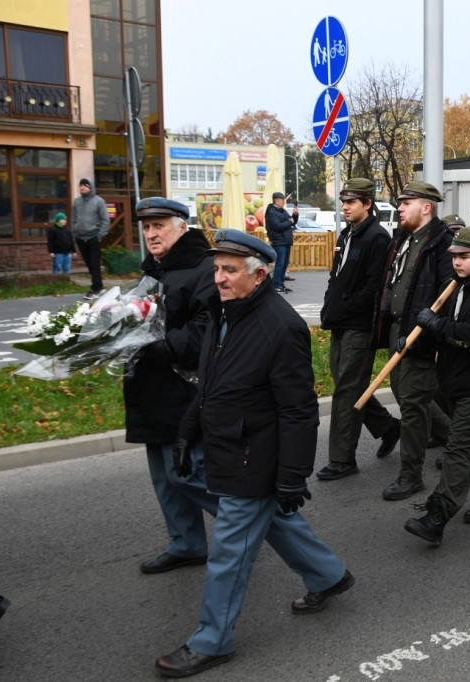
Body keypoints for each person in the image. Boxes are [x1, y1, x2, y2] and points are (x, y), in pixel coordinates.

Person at [156, 229, 353, 678]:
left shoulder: (280, 327)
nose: (219, 278)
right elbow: (208, 385)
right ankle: (328, 576)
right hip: (229, 445)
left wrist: (292, 475)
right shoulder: (223, 312)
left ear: (260, 275)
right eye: (217, 269)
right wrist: (187, 431)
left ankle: (212, 640)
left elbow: (299, 409)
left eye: (229, 270)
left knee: (230, 549)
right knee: (275, 521)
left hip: (254, 457)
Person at [124, 198, 216, 575]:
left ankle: (249, 521)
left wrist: (157, 345)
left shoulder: (203, 268)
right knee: (164, 478)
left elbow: (206, 330)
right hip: (150, 391)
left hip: (183, 391)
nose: (151, 234)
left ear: (181, 226)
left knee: (188, 473)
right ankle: (186, 543)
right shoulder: (153, 271)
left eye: (159, 225)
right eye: (146, 228)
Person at [405, 227, 470, 544]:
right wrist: (413, 341)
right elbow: (440, 333)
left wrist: (438, 325)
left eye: (464, 257)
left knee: (459, 449)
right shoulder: (454, 287)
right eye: (454, 257)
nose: (457, 263)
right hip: (449, 381)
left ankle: (437, 516)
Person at [374, 181, 454, 501]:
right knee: (409, 398)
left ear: (427, 207)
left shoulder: (442, 242)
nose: (400, 207)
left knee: (411, 405)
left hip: (422, 336)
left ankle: (411, 475)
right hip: (399, 331)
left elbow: (449, 295)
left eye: (407, 202)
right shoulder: (403, 240)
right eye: (400, 202)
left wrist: (437, 338)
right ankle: (462, 443)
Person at [317, 178, 400, 481]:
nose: (345, 207)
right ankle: (389, 427)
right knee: (346, 384)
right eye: (343, 201)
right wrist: (329, 309)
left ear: (367, 204)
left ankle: (342, 459)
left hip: (359, 326)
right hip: (340, 322)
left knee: (346, 391)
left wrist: (344, 308)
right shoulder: (346, 234)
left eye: (352, 202)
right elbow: (336, 278)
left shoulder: (377, 238)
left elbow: (373, 289)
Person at [72, 178, 109, 299]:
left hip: (93, 237)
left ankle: (96, 288)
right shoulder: (77, 202)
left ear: (90, 187)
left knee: (94, 263)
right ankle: (98, 286)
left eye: (85, 186)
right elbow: (73, 218)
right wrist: (74, 232)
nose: (82, 188)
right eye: (81, 186)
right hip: (80, 238)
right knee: (88, 264)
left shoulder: (99, 201)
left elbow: (105, 219)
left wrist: (100, 235)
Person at [264, 191, 297, 293]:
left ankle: (281, 284)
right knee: (280, 264)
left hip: (286, 240)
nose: (283, 202)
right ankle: (277, 285)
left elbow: (292, 221)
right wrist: (289, 222)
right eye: (282, 200)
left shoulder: (282, 211)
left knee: (284, 264)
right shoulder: (272, 212)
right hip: (278, 241)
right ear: (276, 200)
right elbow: (277, 226)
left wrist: (295, 215)